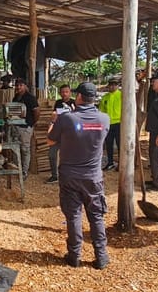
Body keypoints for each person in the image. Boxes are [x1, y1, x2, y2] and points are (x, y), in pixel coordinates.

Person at [47, 82, 110, 269]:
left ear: (79, 97)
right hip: (93, 177)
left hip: (70, 176)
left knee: (74, 215)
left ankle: (74, 256)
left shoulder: (67, 119)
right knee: (96, 216)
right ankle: (102, 256)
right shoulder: (104, 119)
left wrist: (52, 121)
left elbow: (50, 140)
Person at [46, 84, 75, 183]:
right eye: (62, 92)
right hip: (58, 133)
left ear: (70, 92)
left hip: (70, 135)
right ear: (60, 93)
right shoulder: (58, 103)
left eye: (66, 92)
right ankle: (54, 176)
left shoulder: (74, 103)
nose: (64, 94)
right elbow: (54, 116)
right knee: (52, 154)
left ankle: (69, 176)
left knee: (70, 156)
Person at [13, 78, 39, 179]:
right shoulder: (15, 97)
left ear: (25, 86)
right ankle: (17, 169)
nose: (18, 87)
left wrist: (32, 123)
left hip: (26, 127)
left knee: (25, 149)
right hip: (16, 126)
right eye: (17, 85)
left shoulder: (30, 98)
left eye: (21, 85)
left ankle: (24, 171)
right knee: (16, 148)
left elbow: (37, 111)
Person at [100, 78, 122, 171]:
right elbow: (101, 110)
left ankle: (121, 163)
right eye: (111, 85)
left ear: (118, 86)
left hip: (119, 123)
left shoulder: (122, 96)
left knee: (120, 144)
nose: (112, 86)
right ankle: (110, 162)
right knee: (108, 144)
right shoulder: (105, 97)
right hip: (108, 124)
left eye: (115, 84)